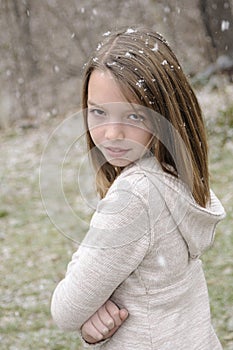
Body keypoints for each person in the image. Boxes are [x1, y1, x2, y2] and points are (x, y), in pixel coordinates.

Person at [50, 27, 226, 349]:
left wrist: (88, 306)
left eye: (133, 115)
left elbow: (65, 309)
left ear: (165, 113)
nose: (111, 133)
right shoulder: (174, 175)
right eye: (98, 112)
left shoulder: (136, 196)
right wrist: (95, 313)